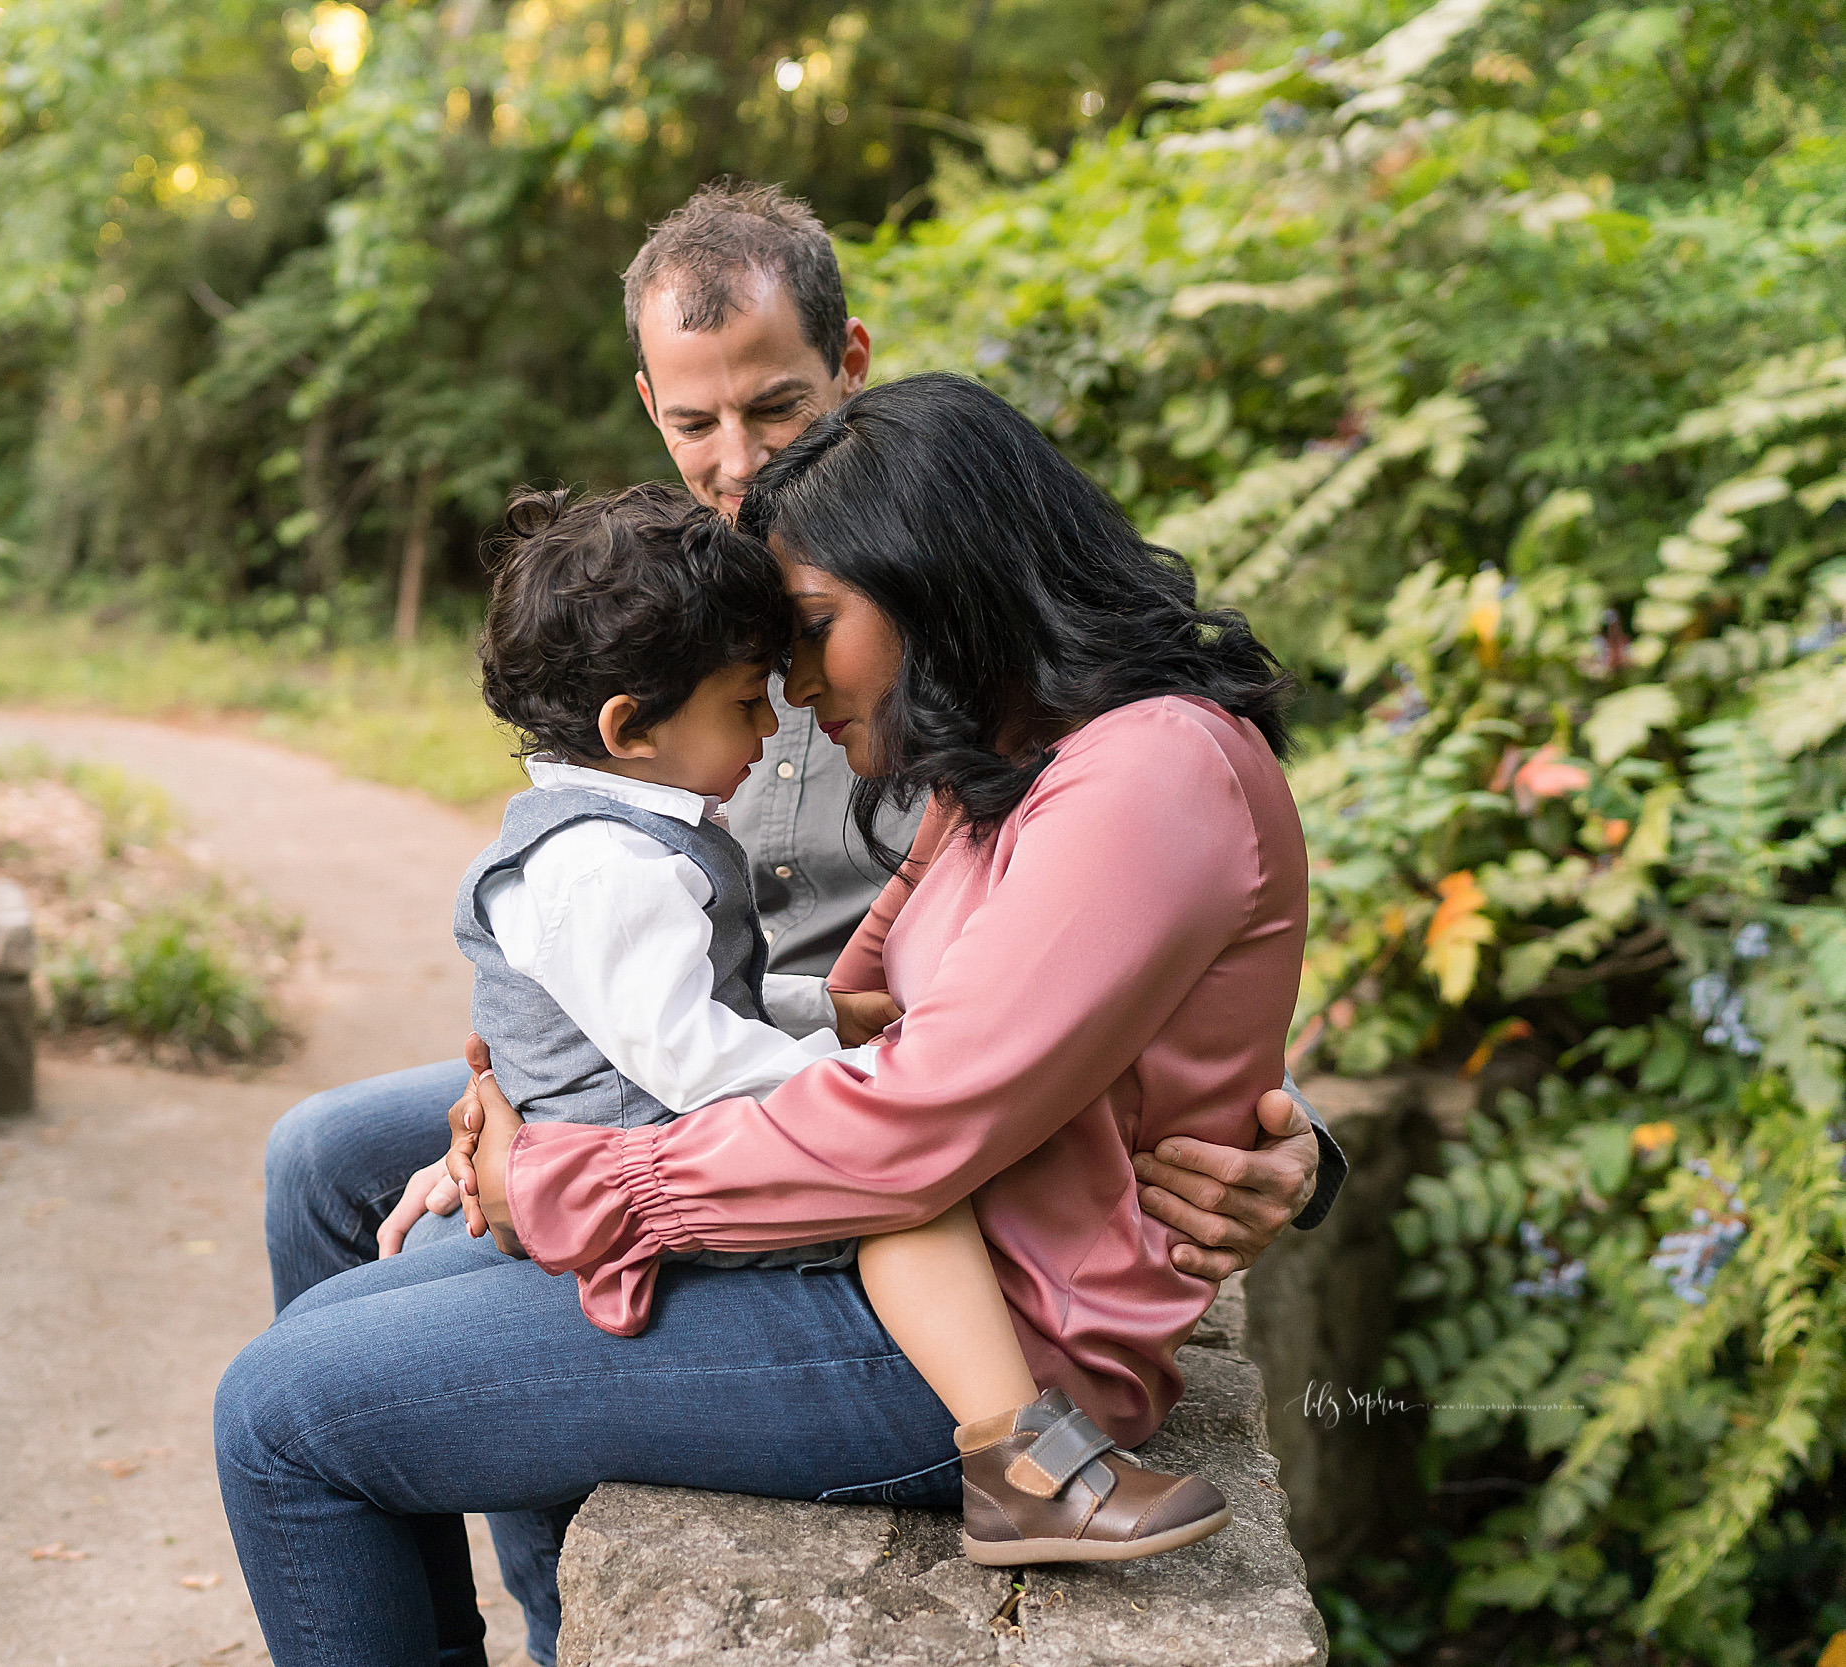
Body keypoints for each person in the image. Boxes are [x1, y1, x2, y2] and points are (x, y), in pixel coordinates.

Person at [256, 180, 1340, 1663]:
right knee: (321, 1226)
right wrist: (539, 1090)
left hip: (964, 1296)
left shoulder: (1105, 763)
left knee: (284, 1413)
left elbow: (961, 1086)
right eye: (693, 427)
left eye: (809, 638)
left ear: (933, 578)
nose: (786, 701)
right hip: (854, 1184)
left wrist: (584, 1180)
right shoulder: (982, 736)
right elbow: (909, 1007)